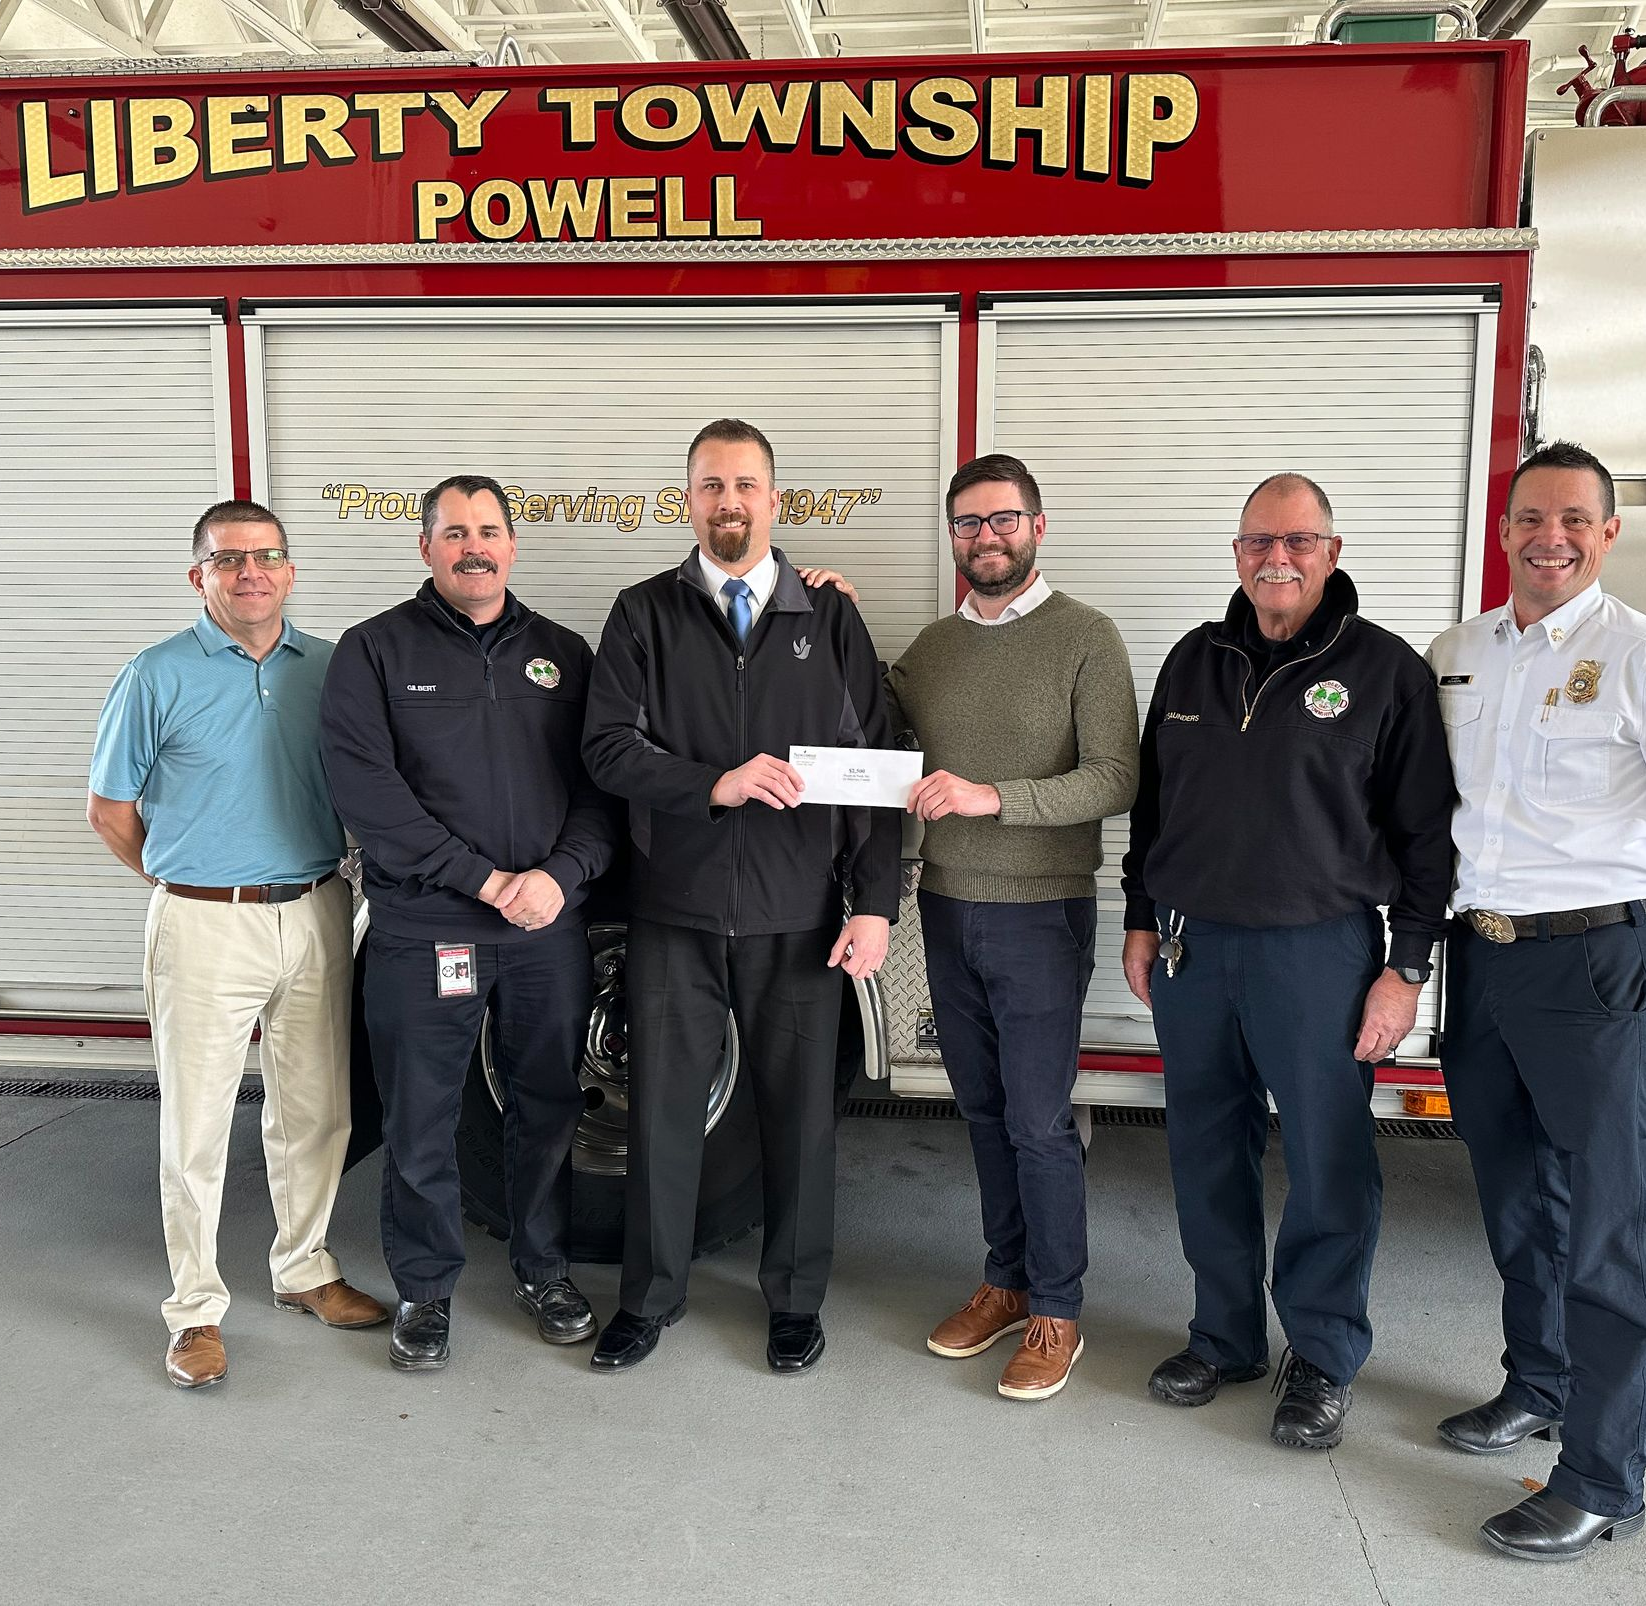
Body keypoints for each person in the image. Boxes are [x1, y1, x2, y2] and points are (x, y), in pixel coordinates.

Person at [1426, 441, 1646, 1560]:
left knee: (1608, 1222)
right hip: (1483, 958)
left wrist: (1635, 920)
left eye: (1573, 518)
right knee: (1516, 1194)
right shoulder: (1458, 654)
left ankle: (1605, 1477)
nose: (1548, 537)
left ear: (1608, 533)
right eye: (1530, 517)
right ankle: (1539, 1383)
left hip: (1595, 963)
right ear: (1503, 531)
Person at [1120, 472, 1455, 1448]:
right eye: (1258, 541)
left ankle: (1320, 1353)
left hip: (1320, 955)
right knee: (1203, 1149)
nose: (1277, 557)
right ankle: (1223, 1336)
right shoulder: (1193, 661)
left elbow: (1427, 835)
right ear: (1236, 554)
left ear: (1331, 552)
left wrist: (1406, 968)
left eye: (1298, 540)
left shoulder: (1384, 670)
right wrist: (1140, 917)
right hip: (1192, 947)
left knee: (1327, 1159)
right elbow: (1153, 807)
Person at [581, 418, 898, 1376]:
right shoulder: (642, 614)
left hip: (797, 915)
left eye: (746, 484)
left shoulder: (828, 619)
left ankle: (795, 1304)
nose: (730, 502)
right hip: (672, 911)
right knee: (662, 1114)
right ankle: (649, 1300)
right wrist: (712, 784)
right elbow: (606, 748)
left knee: (800, 1121)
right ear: (689, 501)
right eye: (712, 485)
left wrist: (873, 903)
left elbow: (875, 769)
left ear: (774, 498)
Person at [320, 474, 619, 1372]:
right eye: (454, 533)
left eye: (488, 531)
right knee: (421, 1115)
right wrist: (484, 881)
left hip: (543, 935)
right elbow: (369, 797)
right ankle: (424, 1289)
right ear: (426, 548)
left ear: (512, 546)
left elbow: (602, 788)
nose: (473, 548)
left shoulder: (564, 654)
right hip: (427, 931)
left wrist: (561, 877)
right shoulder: (372, 651)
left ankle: (544, 1270)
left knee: (548, 1107)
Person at [87, 499, 387, 1390]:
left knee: (317, 1110)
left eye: (266, 556)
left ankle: (304, 1269)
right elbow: (109, 810)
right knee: (198, 1123)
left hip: (317, 907)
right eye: (228, 559)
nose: (250, 572)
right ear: (200, 576)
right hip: (203, 922)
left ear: (290, 571)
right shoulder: (154, 675)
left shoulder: (331, 669)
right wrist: (185, 880)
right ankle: (194, 1310)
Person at [888, 453, 1138, 1402]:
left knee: (1038, 1121)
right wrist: (822, 606)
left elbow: (1116, 777)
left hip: (1041, 912)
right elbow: (864, 724)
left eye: (1002, 519)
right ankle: (1005, 1282)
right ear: (952, 537)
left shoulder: (1087, 636)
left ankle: (1057, 1311)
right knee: (982, 1110)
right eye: (968, 523)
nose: (985, 537)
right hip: (946, 905)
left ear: (1038, 525)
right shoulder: (932, 649)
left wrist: (993, 796)